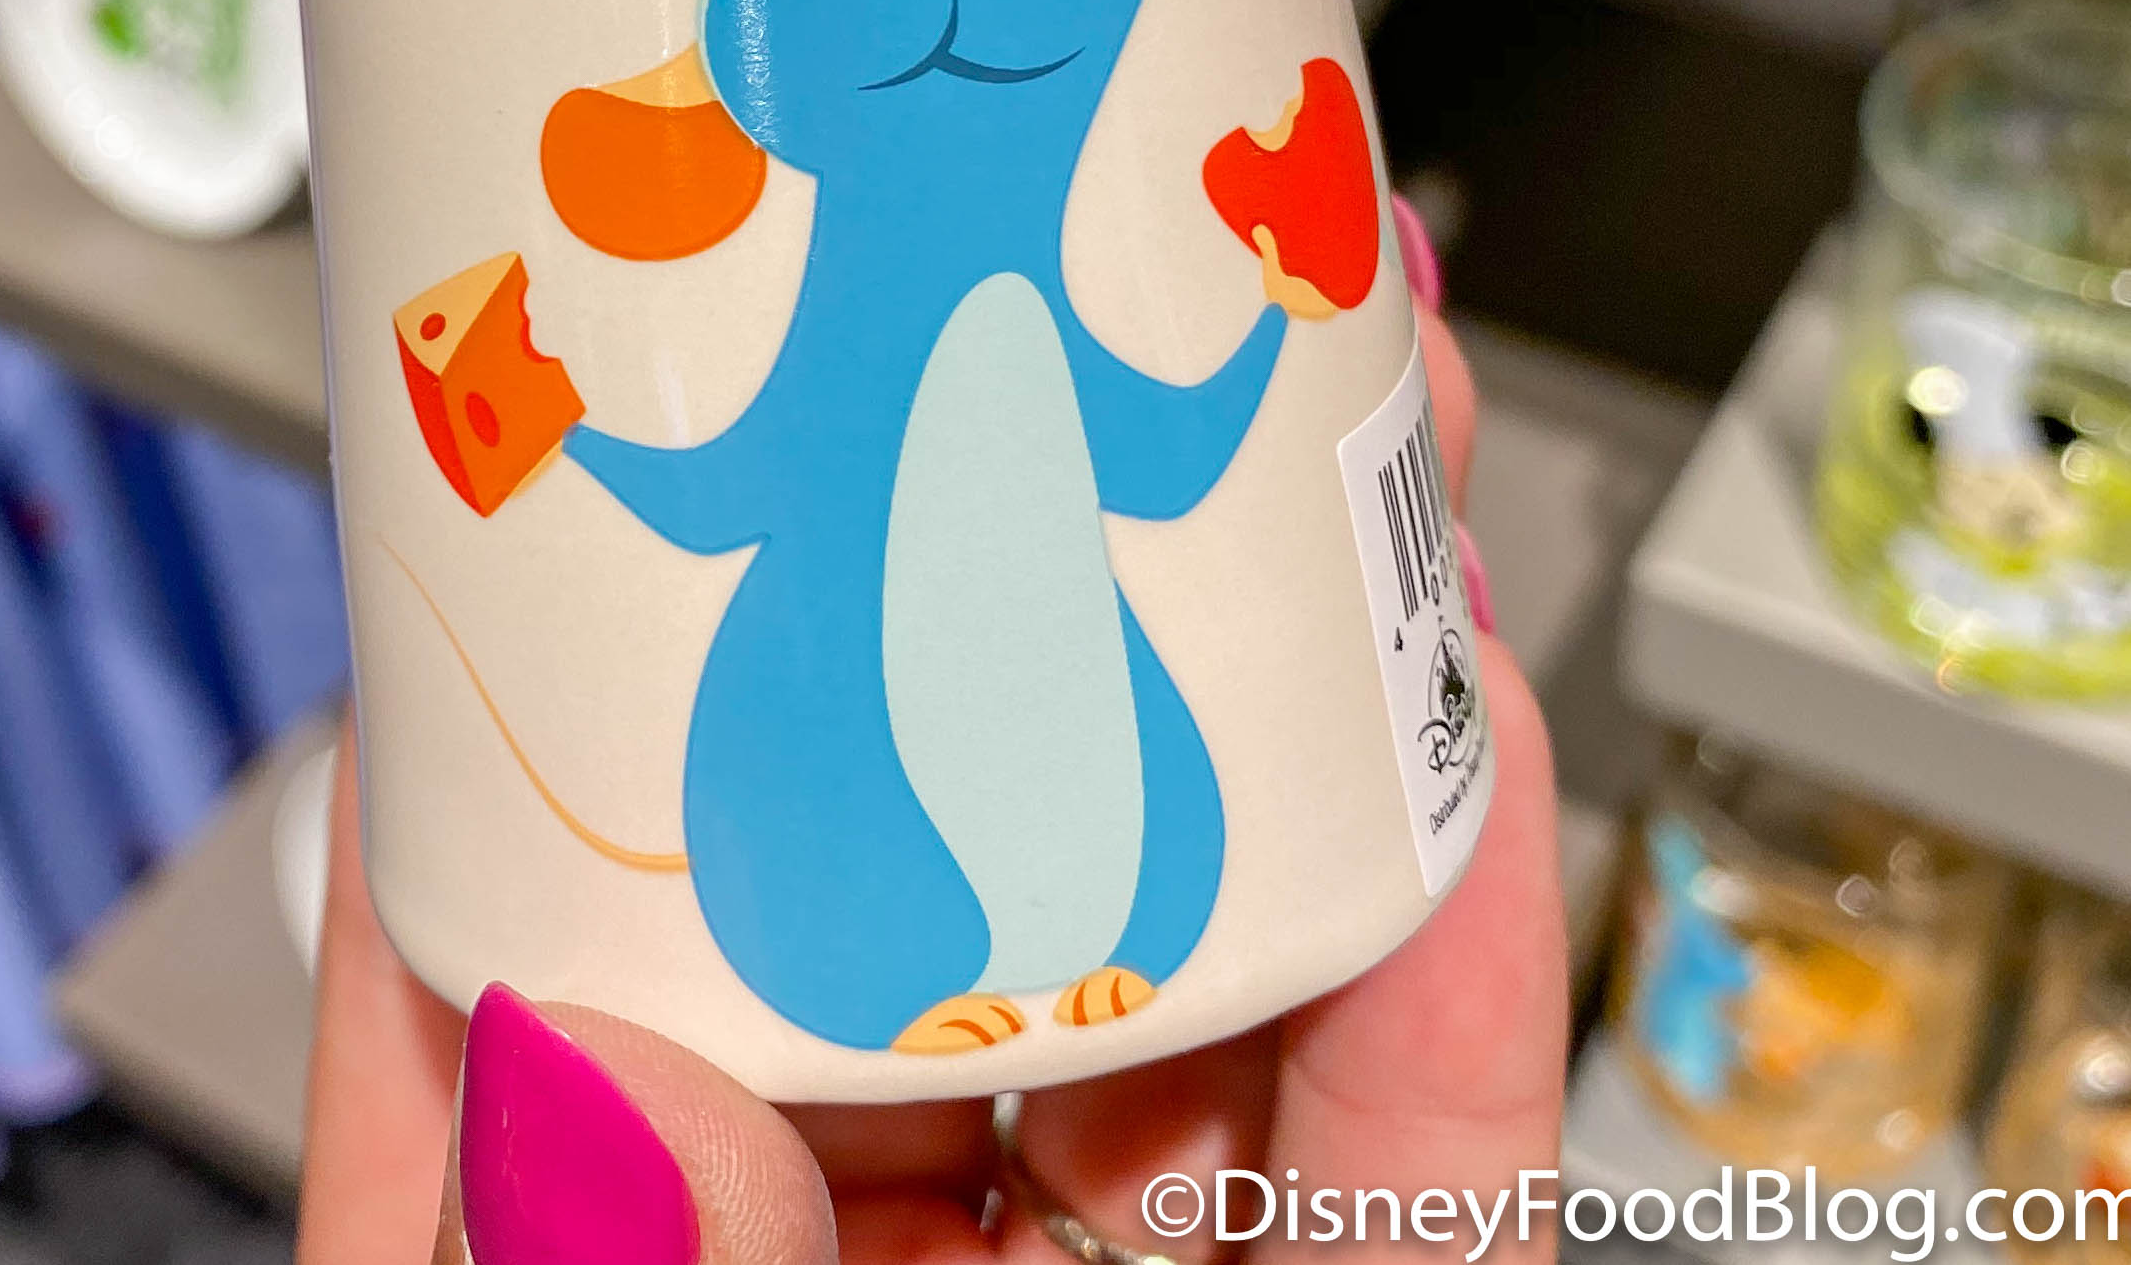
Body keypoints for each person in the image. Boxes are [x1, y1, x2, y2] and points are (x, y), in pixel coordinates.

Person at [297, 280, 1568, 1265]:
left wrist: (1279, 317)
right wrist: (565, 438)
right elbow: (725, 489)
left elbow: (1165, 451)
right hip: (827, 898)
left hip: (1114, 875)